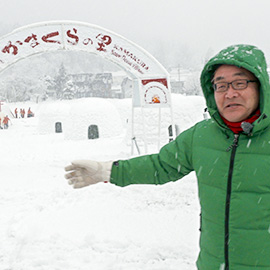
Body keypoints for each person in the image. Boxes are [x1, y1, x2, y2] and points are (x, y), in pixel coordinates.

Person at [64, 44, 270, 270]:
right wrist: (108, 170)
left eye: (240, 83)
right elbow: (161, 166)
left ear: (260, 86)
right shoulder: (201, 137)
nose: (230, 93)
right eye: (221, 85)